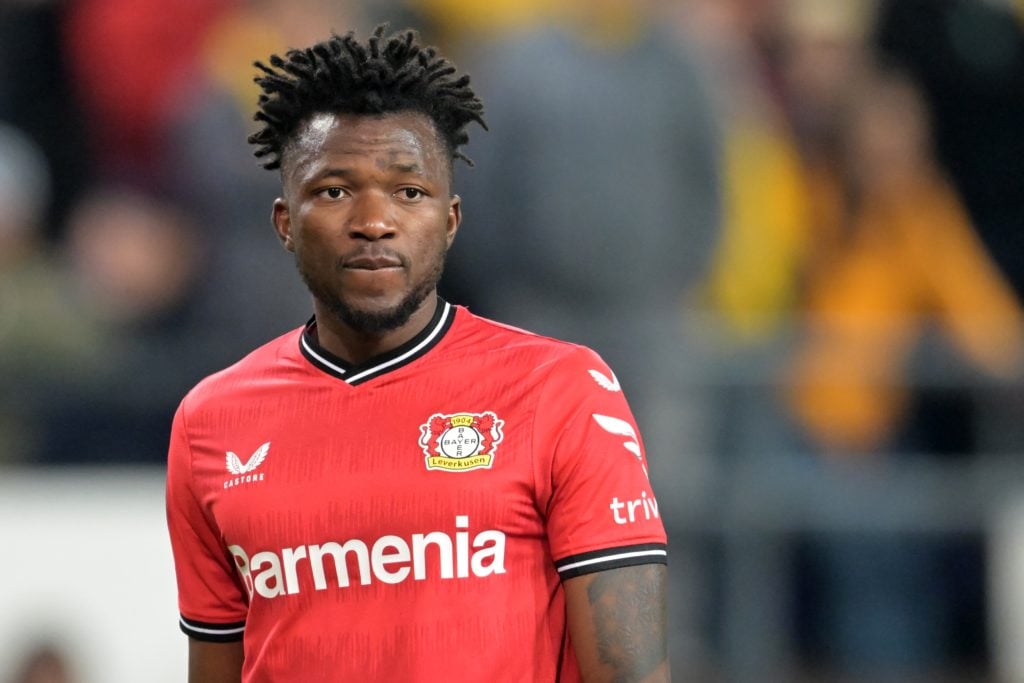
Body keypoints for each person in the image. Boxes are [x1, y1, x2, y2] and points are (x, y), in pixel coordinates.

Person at [165, 25, 669, 682]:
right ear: (285, 222)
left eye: (408, 191)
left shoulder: (561, 389)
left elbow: (633, 672)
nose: (374, 219)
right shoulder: (211, 423)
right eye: (335, 190)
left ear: (450, 219)